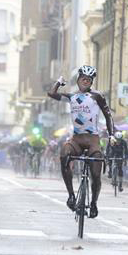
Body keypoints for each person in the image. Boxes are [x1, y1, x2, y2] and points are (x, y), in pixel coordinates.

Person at [47, 65, 114, 219]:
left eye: (89, 80)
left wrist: (111, 135)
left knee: (96, 172)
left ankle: (94, 203)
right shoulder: (72, 96)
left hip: (93, 141)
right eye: (83, 78)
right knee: (64, 154)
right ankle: (71, 196)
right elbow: (51, 94)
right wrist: (59, 82)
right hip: (76, 140)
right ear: (78, 79)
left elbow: (108, 115)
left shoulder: (97, 96)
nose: (86, 81)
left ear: (92, 82)